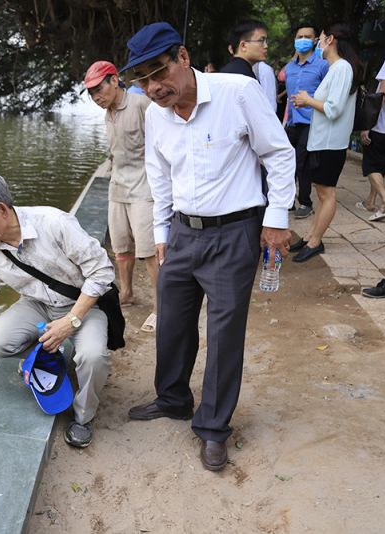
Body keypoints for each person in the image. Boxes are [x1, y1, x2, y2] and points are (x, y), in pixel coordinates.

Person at [121, 22, 295, 471]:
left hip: (234, 233)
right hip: (182, 232)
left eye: (158, 73)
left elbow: (278, 153)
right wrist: (162, 234)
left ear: (183, 57)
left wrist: (276, 219)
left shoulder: (237, 93)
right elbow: (159, 175)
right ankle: (173, 398)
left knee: (224, 333)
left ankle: (214, 427)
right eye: (142, 80)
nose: (153, 88)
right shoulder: (155, 115)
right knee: (172, 321)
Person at [0, 171, 116, 448]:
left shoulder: (54, 223)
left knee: (93, 357)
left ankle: (84, 416)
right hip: (37, 305)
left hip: (83, 305)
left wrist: (71, 320)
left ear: (2, 210)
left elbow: (102, 271)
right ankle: (47, 357)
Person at [83, 60, 159, 332]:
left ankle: (160, 307)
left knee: (149, 250)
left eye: (99, 89)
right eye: (91, 93)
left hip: (144, 186)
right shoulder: (108, 113)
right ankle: (126, 292)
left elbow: (163, 142)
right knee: (121, 247)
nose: (96, 97)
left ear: (114, 80)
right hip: (118, 186)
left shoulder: (141, 105)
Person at [290, 24, 363, 262]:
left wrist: (307, 100)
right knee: (322, 193)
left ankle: (315, 242)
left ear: (330, 40)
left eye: (319, 39)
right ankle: (311, 235)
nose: (317, 44)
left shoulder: (342, 68)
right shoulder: (336, 68)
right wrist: (308, 101)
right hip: (323, 141)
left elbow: (333, 109)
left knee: (327, 194)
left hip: (331, 143)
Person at [284, 23, 330, 219]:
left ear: (314, 40)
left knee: (301, 162)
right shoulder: (290, 67)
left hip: (311, 122)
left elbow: (329, 94)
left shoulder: (323, 66)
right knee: (286, 161)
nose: (302, 40)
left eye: (307, 36)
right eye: (299, 36)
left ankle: (305, 202)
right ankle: (288, 201)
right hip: (292, 122)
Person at [359, 57, 385, 222]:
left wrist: (369, 124)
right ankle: (370, 201)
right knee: (380, 167)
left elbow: (383, 92)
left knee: (371, 166)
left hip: (382, 127)